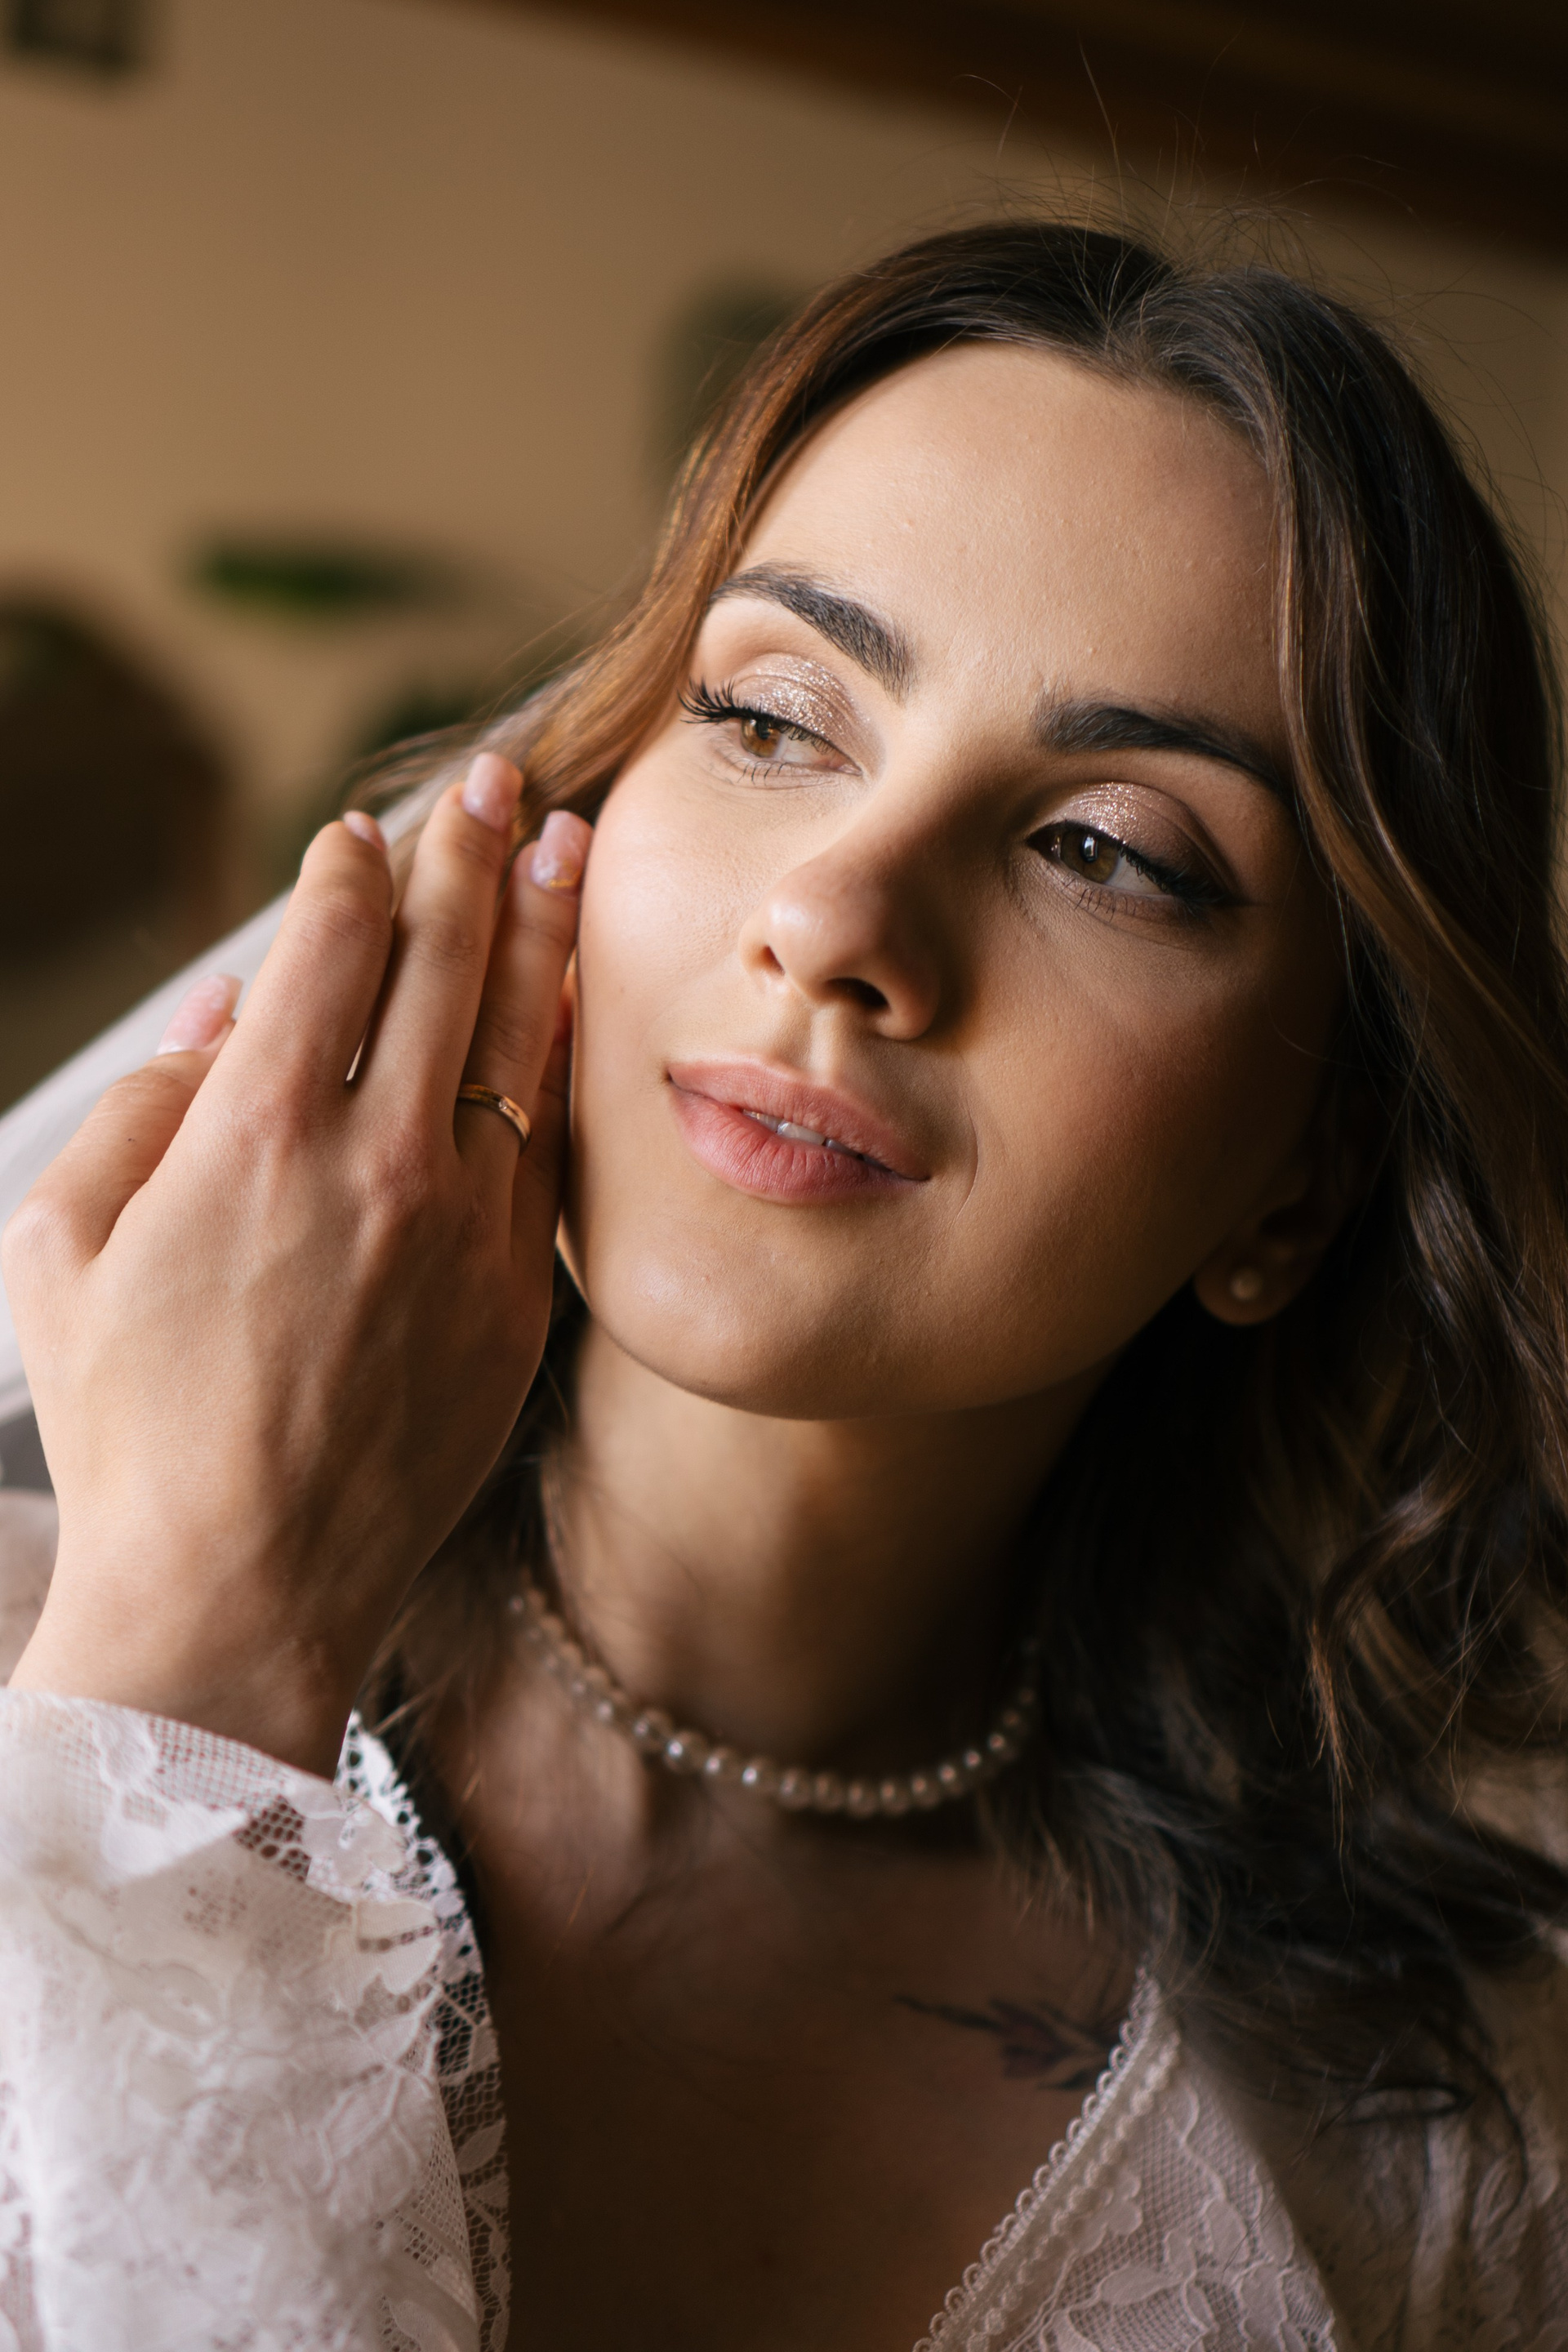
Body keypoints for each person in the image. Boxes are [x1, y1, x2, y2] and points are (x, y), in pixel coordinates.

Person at [0, 220, 1565, 2352]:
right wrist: (189, 1664)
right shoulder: (49, 1650)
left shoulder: (1434, 2149)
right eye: (769, 716)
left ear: (1300, 1178)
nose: (839, 916)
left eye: (1106, 846)